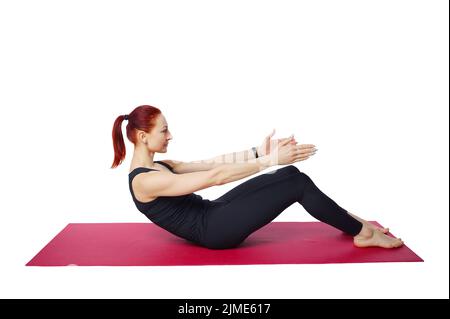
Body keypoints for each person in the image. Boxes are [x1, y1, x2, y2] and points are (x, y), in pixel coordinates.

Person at [111, 105, 404, 249]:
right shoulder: (144, 182)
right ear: (141, 136)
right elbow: (215, 176)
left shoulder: (162, 166)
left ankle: (351, 221)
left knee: (290, 173)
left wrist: (256, 151)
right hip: (214, 231)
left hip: (213, 213)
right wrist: (269, 160)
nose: (170, 135)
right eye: (163, 130)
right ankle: (362, 234)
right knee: (295, 183)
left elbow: (210, 163)